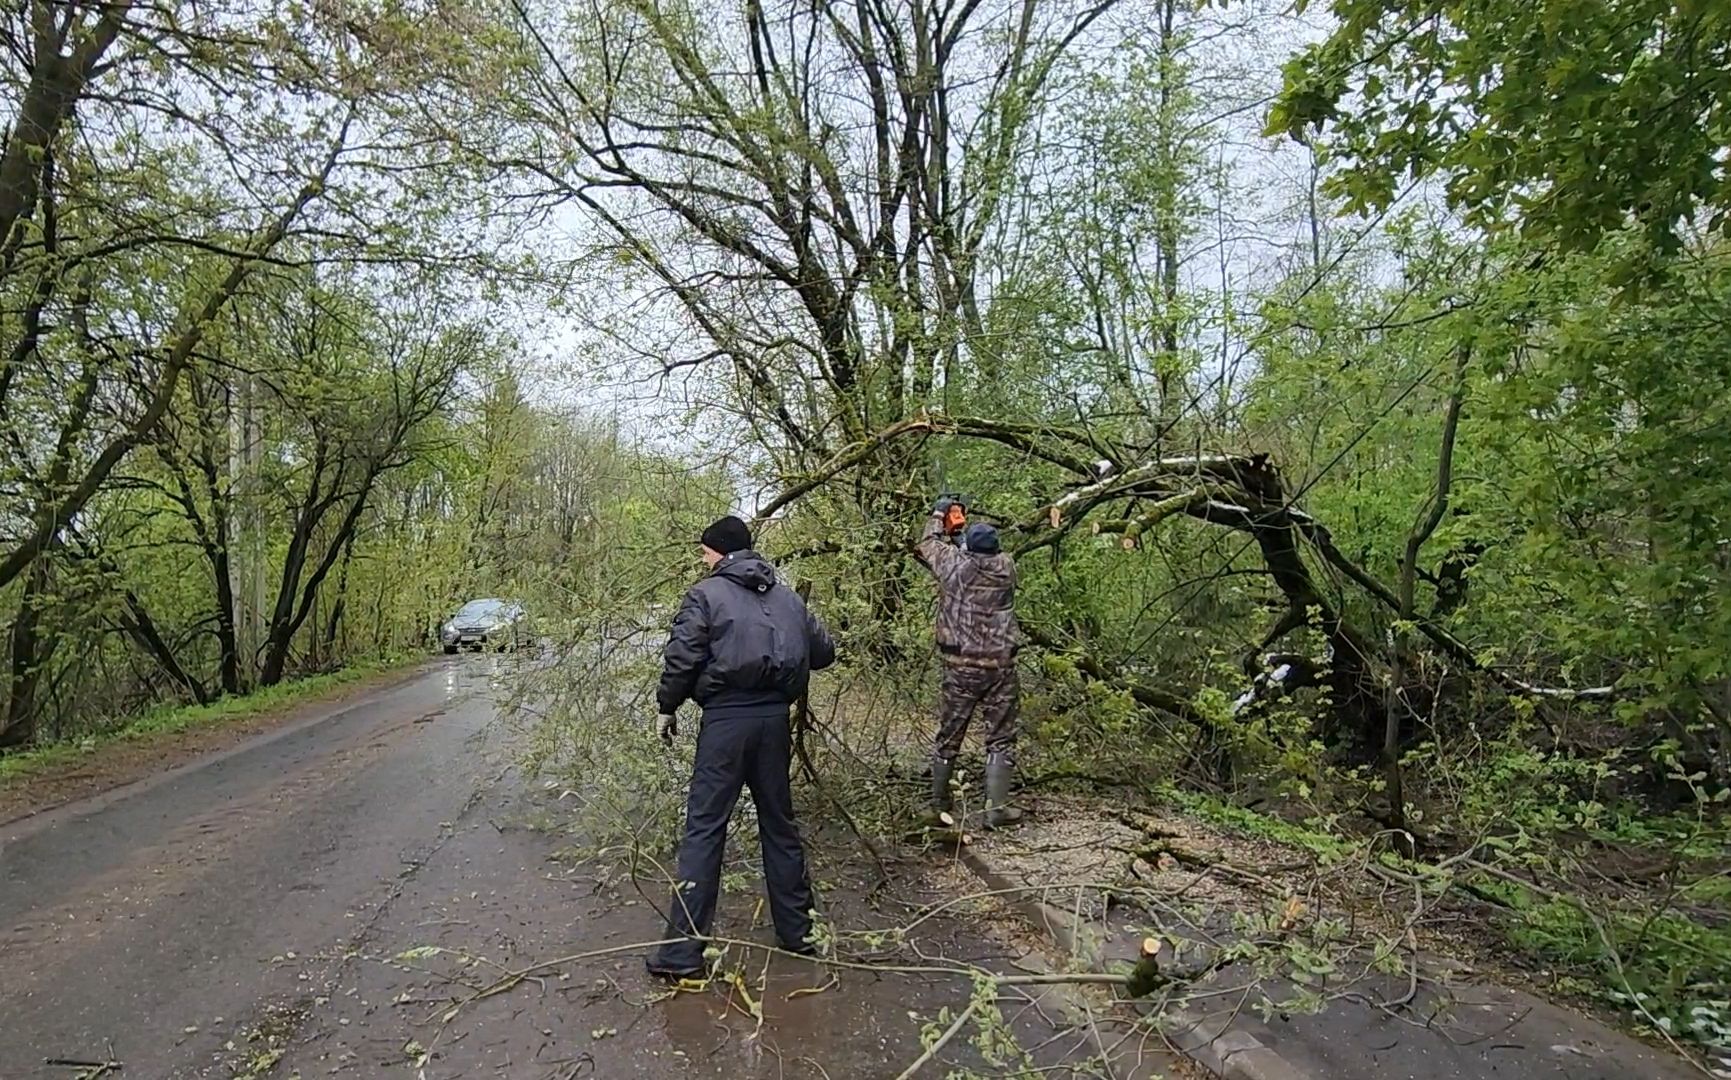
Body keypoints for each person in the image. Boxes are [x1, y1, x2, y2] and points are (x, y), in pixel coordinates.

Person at [646, 514, 837, 979]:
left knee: (705, 829)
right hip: (774, 723)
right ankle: (800, 934)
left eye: (705, 551)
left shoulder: (706, 595)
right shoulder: (786, 595)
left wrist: (667, 706)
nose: (702, 558)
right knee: (780, 827)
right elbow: (825, 652)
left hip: (726, 722)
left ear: (718, 553)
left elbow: (682, 657)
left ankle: (681, 956)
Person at [914, 498, 1023, 827]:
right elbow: (979, 560)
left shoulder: (953, 566)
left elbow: (927, 544)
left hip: (960, 666)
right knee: (1000, 738)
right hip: (1000, 667)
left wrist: (938, 515)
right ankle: (995, 809)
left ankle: (938, 805)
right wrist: (963, 539)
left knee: (950, 735)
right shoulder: (1007, 566)